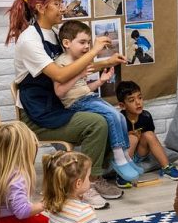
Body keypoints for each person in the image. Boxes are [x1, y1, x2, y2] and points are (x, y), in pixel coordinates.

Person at [6, 0, 126, 209]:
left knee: (110, 116)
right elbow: (60, 76)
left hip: (58, 106)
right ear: (41, 7)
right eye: (58, 3)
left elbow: (74, 68)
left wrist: (106, 62)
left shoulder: (52, 34)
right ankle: (85, 186)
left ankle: (94, 178)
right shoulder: (30, 40)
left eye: (62, 2)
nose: (63, 8)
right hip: (38, 115)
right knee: (97, 124)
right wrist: (94, 50)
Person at [53, 20, 141, 184]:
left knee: (119, 116)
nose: (87, 46)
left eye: (88, 42)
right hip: (76, 103)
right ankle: (119, 158)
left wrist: (100, 81)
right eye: (82, 42)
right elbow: (59, 91)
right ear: (66, 43)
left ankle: (124, 156)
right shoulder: (62, 63)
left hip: (87, 98)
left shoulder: (79, 61)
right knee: (112, 116)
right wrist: (79, 75)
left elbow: (83, 88)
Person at [116, 80, 178, 187]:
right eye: (132, 100)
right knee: (133, 138)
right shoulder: (120, 120)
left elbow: (151, 141)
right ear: (122, 105)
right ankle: (122, 172)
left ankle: (166, 167)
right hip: (124, 156)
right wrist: (129, 135)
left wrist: (140, 137)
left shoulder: (146, 116)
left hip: (140, 153)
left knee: (149, 134)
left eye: (140, 97)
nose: (138, 102)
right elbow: (116, 144)